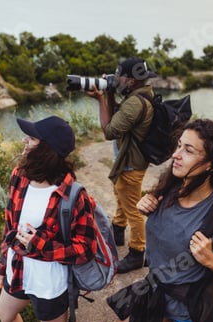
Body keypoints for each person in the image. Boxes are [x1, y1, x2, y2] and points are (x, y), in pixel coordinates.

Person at [106, 119, 213, 322]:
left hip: (190, 311)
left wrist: (210, 259)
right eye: (179, 145)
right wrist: (146, 206)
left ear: (212, 164)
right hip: (158, 294)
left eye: (188, 150)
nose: (175, 155)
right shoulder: (169, 187)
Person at [0, 115, 97, 322]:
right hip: (18, 270)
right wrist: (3, 264)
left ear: (46, 149)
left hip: (49, 284)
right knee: (4, 314)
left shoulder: (73, 195)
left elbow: (85, 249)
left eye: (31, 138)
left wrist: (40, 243)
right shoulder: (19, 176)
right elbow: (9, 224)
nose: (24, 141)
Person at [87, 57, 157, 273]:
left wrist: (100, 100)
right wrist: (108, 93)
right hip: (132, 160)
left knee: (133, 207)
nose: (116, 79)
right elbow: (120, 116)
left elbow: (109, 131)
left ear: (132, 80)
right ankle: (118, 229)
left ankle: (138, 252)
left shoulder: (136, 102)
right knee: (123, 195)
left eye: (120, 76)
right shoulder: (141, 94)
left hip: (130, 163)